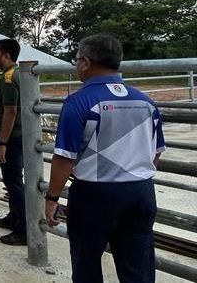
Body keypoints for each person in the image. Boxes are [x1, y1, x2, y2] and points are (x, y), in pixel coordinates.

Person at [45, 34, 164, 283]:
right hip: (141, 192)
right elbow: (156, 152)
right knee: (138, 268)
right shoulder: (146, 101)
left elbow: (64, 159)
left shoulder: (79, 101)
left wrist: (52, 198)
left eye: (76, 60)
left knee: (86, 263)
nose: (76, 65)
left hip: (94, 195)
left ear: (86, 63)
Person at [0, 38, 26, 246]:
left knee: (13, 183)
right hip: (15, 136)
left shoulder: (9, 78)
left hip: (10, 138)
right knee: (12, 182)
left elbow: (10, 111)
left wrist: (2, 142)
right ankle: (14, 217)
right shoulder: (17, 74)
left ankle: (24, 230)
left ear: (6, 55)